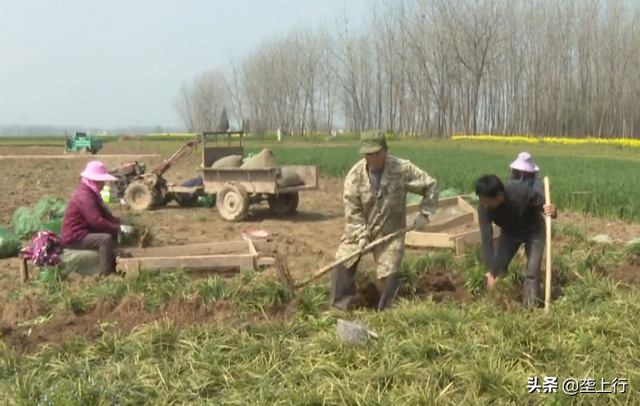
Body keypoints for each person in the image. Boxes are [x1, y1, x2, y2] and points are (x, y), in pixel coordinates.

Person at [330, 131, 439, 311]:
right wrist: (361, 236)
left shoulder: (402, 170)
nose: (371, 158)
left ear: (384, 150)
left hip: (390, 232)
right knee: (343, 262)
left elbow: (431, 186)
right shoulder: (354, 177)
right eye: (367, 154)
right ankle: (341, 307)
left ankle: (384, 312)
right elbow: (353, 212)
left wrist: (424, 213)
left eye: (375, 153)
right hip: (359, 230)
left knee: (389, 274)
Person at [475, 174, 557, 308]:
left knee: (532, 270)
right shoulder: (484, 209)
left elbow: (544, 205)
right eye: (483, 201)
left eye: (488, 201)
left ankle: (530, 307)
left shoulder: (519, 192)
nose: (486, 205)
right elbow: (487, 239)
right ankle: (500, 302)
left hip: (534, 230)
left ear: (499, 195)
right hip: (510, 232)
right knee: (498, 268)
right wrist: (490, 271)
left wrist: (552, 211)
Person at [61, 161, 133, 276]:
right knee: (105, 239)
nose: (104, 184)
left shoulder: (91, 193)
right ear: (95, 181)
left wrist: (119, 223)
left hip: (84, 231)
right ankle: (106, 273)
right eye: (102, 182)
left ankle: (114, 260)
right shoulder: (85, 196)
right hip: (75, 237)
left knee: (110, 234)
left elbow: (105, 215)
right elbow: (96, 221)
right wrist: (118, 228)